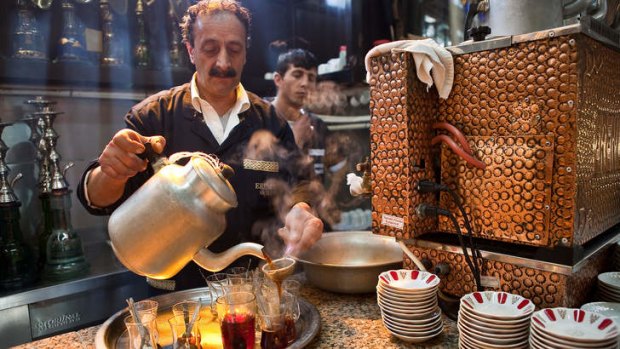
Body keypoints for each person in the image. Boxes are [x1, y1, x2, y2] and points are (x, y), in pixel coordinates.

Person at [77, 0, 323, 291]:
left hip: (252, 291)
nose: (223, 62)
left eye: (234, 49)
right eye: (210, 49)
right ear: (191, 51)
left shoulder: (270, 121)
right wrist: (111, 172)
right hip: (175, 297)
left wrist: (302, 208)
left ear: (245, 53)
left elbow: (299, 181)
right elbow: (96, 197)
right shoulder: (153, 116)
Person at [271, 49, 329, 181]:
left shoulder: (318, 126)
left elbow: (333, 174)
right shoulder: (259, 119)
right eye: (297, 75)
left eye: (311, 78)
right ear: (278, 80)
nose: (305, 84)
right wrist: (295, 143)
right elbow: (258, 180)